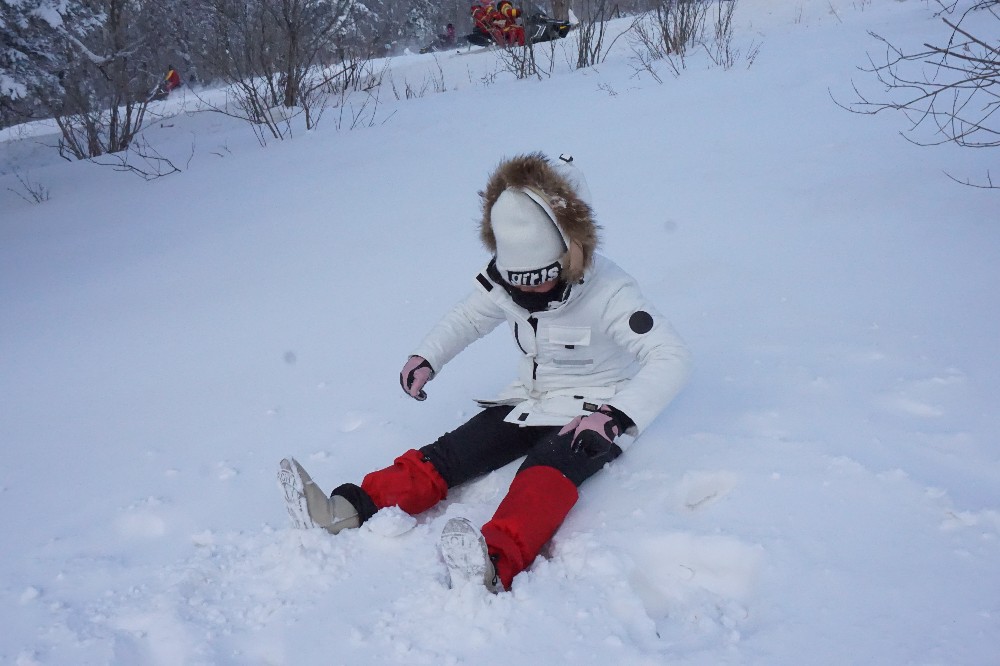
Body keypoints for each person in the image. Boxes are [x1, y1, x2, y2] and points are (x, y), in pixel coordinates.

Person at [279, 152, 691, 593]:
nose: (527, 290)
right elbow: (469, 317)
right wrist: (427, 356)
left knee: (542, 475)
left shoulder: (611, 292)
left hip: (592, 413)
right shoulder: (505, 281)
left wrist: (615, 416)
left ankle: (493, 564)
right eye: (518, 280)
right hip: (530, 401)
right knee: (452, 453)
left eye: (540, 277)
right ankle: (346, 509)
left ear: (570, 254)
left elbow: (671, 356)